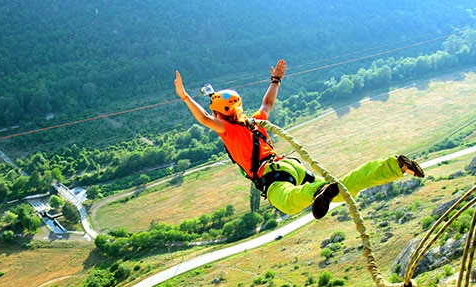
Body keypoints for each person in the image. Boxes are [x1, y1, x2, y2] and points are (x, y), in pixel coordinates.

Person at [173, 60, 425, 219]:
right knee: (342, 189)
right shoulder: (254, 122)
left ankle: (319, 191)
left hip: (271, 174)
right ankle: (395, 165)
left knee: (290, 203)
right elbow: (268, 103)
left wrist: (185, 97)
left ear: (220, 115)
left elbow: (205, 118)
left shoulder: (228, 130)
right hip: (289, 165)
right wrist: (276, 80)